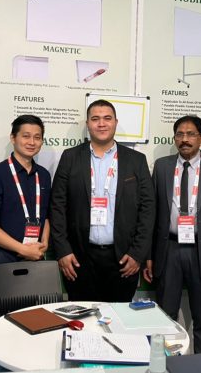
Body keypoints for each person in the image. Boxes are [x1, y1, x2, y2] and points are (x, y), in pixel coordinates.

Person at [143, 115, 201, 353]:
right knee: (165, 320)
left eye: (191, 134)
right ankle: (165, 365)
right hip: (168, 251)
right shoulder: (162, 167)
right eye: (180, 134)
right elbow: (152, 215)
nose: (185, 139)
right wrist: (149, 256)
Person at [50, 99, 155, 302]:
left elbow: (148, 210)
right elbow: (57, 206)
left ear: (115, 122)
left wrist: (137, 254)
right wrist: (62, 251)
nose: (101, 124)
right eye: (95, 119)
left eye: (107, 118)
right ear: (87, 124)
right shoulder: (70, 157)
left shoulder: (136, 160)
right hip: (78, 259)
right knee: (83, 316)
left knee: (118, 317)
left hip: (123, 259)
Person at [0, 115, 51, 265]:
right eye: (26, 136)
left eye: (37, 137)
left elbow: (46, 214)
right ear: (13, 138)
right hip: (4, 258)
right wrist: (22, 249)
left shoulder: (43, 175)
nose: (32, 142)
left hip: (36, 256)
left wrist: (44, 242)